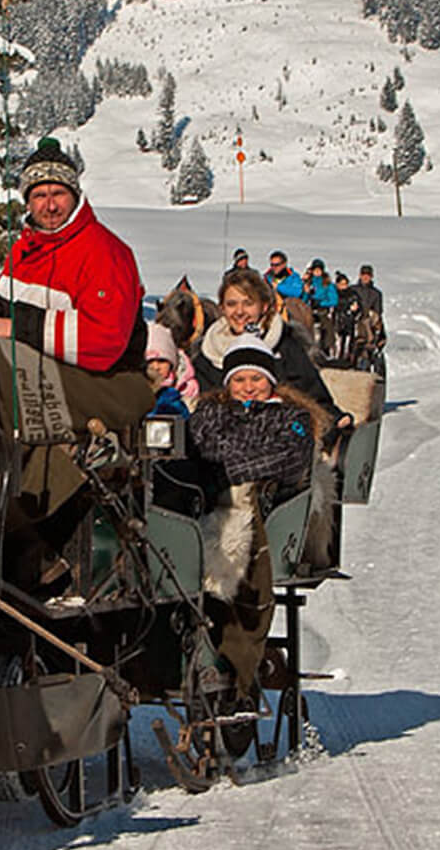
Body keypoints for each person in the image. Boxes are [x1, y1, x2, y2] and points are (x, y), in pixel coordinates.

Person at [0, 136, 152, 536]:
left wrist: (15, 328)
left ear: (74, 195)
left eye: (57, 194)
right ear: (27, 201)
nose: (49, 205)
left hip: (112, 383)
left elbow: (104, 343)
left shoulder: (104, 251)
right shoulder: (26, 252)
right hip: (50, 374)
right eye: (39, 195)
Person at [183, 334, 329, 697]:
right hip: (206, 501)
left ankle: (234, 660)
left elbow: (287, 457)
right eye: (239, 380)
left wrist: (226, 467)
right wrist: (239, 461)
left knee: (239, 536)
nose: (248, 388)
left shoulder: (292, 417)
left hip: (259, 506)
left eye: (256, 379)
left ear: (270, 380)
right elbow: (201, 447)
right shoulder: (210, 412)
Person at [193, 268, 351, 435]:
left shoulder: (286, 347)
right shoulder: (209, 353)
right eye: (231, 304)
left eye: (248, 303)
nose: (239, 312)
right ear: (222, 309)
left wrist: (334, 418)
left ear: (264, 306)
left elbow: (314, 397)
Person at [144, 320, 198, 416]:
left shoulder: (188, 388)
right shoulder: (138, 389)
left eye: (162, 361)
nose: (155, 367)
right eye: (150, 361)